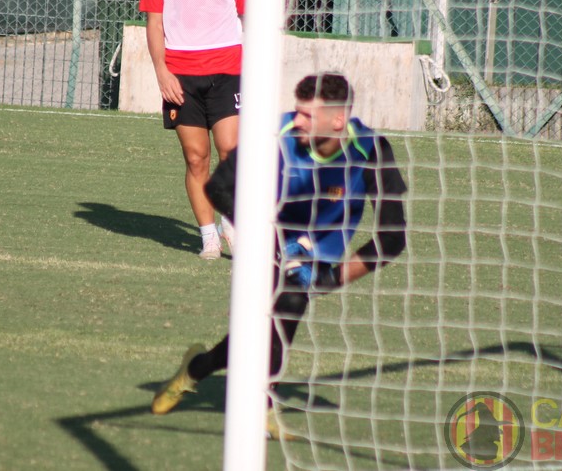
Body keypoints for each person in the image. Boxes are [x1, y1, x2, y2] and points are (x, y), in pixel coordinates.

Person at [150, 73, 409, 438]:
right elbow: (219, 188)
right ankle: (260, 406)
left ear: (338, 120)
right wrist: (271, 241)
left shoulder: (371, 150)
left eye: (308, 115)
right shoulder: (273, 135)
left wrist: (331, 279)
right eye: (297, 111)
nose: (297, 120)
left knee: (267, 327)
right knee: (278, 318)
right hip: (268, 236)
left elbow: (393, 238)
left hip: (320, 251)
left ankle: (195, 370)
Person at [139, 0, 246, 261]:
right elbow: (154, 24)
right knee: (197, 157)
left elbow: (250, 16)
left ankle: (231, 221)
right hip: (181, 77)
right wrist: (161, 72)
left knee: (231, 152)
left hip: (228, 70)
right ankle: (209, 238)